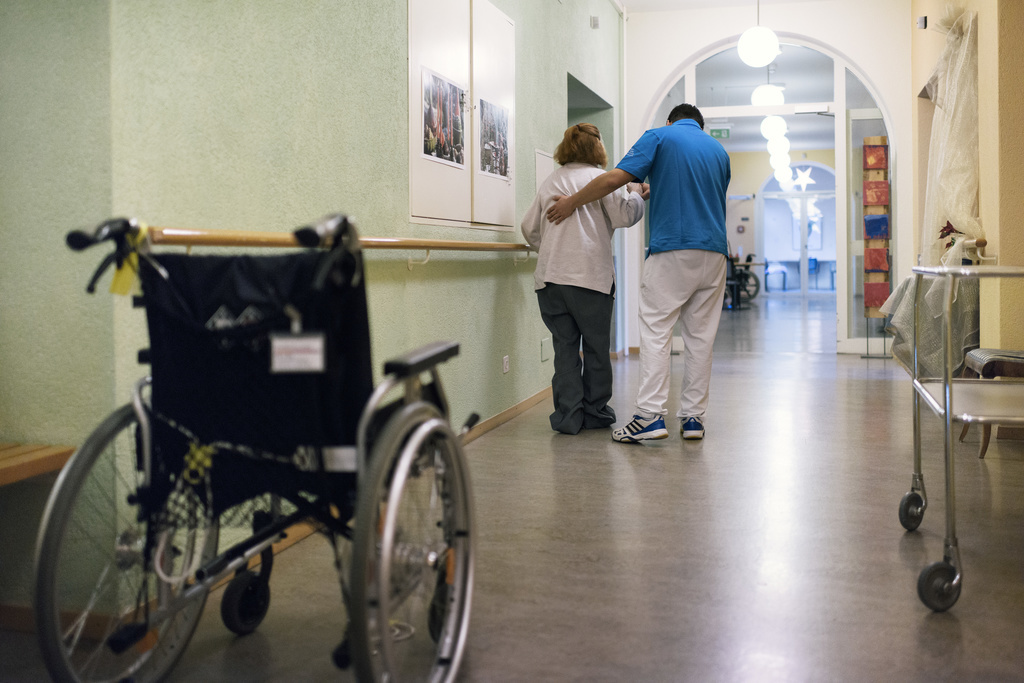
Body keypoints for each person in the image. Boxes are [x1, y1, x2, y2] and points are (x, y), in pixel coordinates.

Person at [546, 103, 730, 443]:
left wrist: (573, 201)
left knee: (657, 330)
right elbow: (698, 195)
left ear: (671, 121)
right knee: (701, 339)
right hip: (715, 252)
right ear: (700, 125)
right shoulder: (718, 150)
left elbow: (615, 178)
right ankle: (693, 419)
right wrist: (647, 191)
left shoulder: (660, 136)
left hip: (673, 247)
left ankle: (649, 416)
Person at [522, 123, 648, 435]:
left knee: (564, 349)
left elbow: (529, 229)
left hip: (550, 280)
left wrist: (553, 246)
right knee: (595, 348)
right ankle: (595, 413)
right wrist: (635, 193)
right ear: (597, 149)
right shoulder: (601, 180)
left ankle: (567, 418)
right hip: (590, 279)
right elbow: (626, 216)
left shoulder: (551, 180)